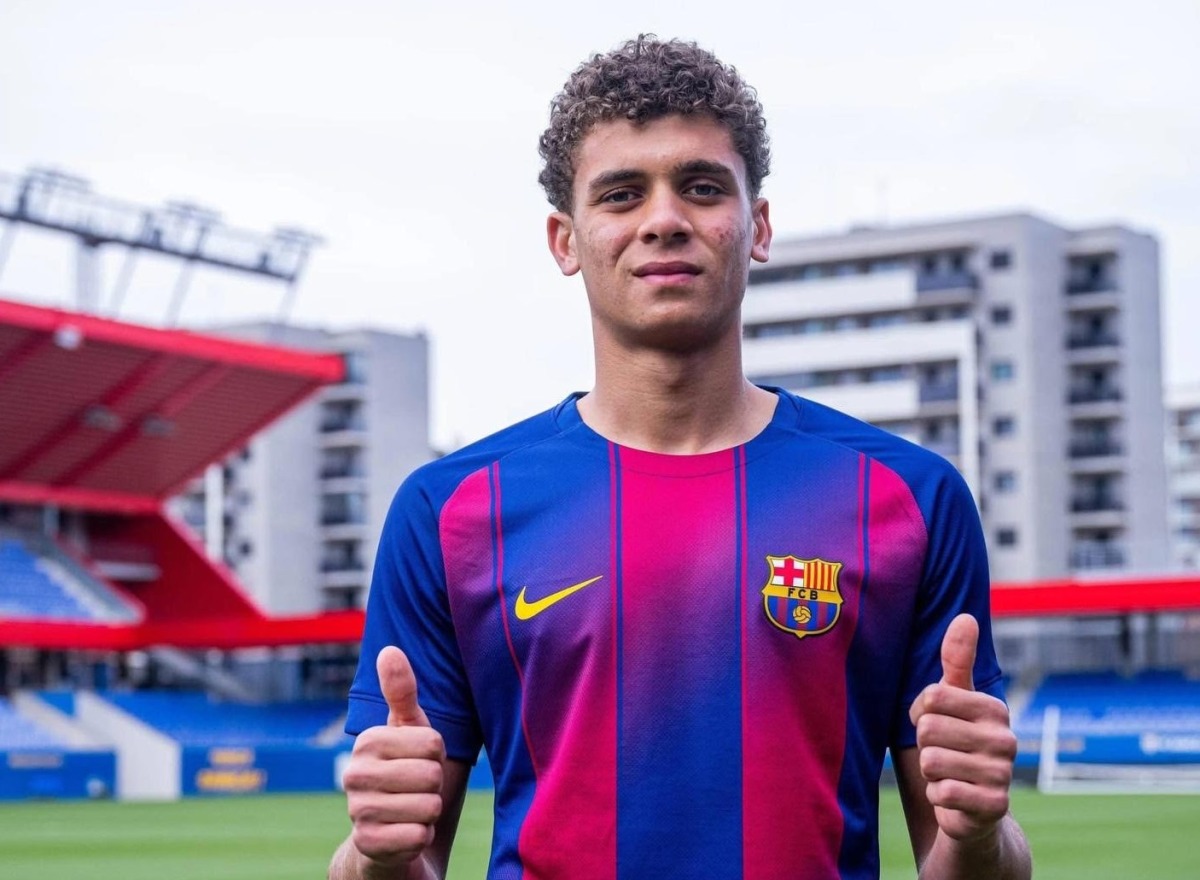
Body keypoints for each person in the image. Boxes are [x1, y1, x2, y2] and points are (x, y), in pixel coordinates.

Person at [329, 35, 1032, 880]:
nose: (664, 219)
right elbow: (392, 867)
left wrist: (982, 833)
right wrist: (373, 855)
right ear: (565, 240)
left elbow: (971, 862)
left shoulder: (911, 499)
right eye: (622, 193)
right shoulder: (450, 512)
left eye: (701, 187)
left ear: (757, 226)